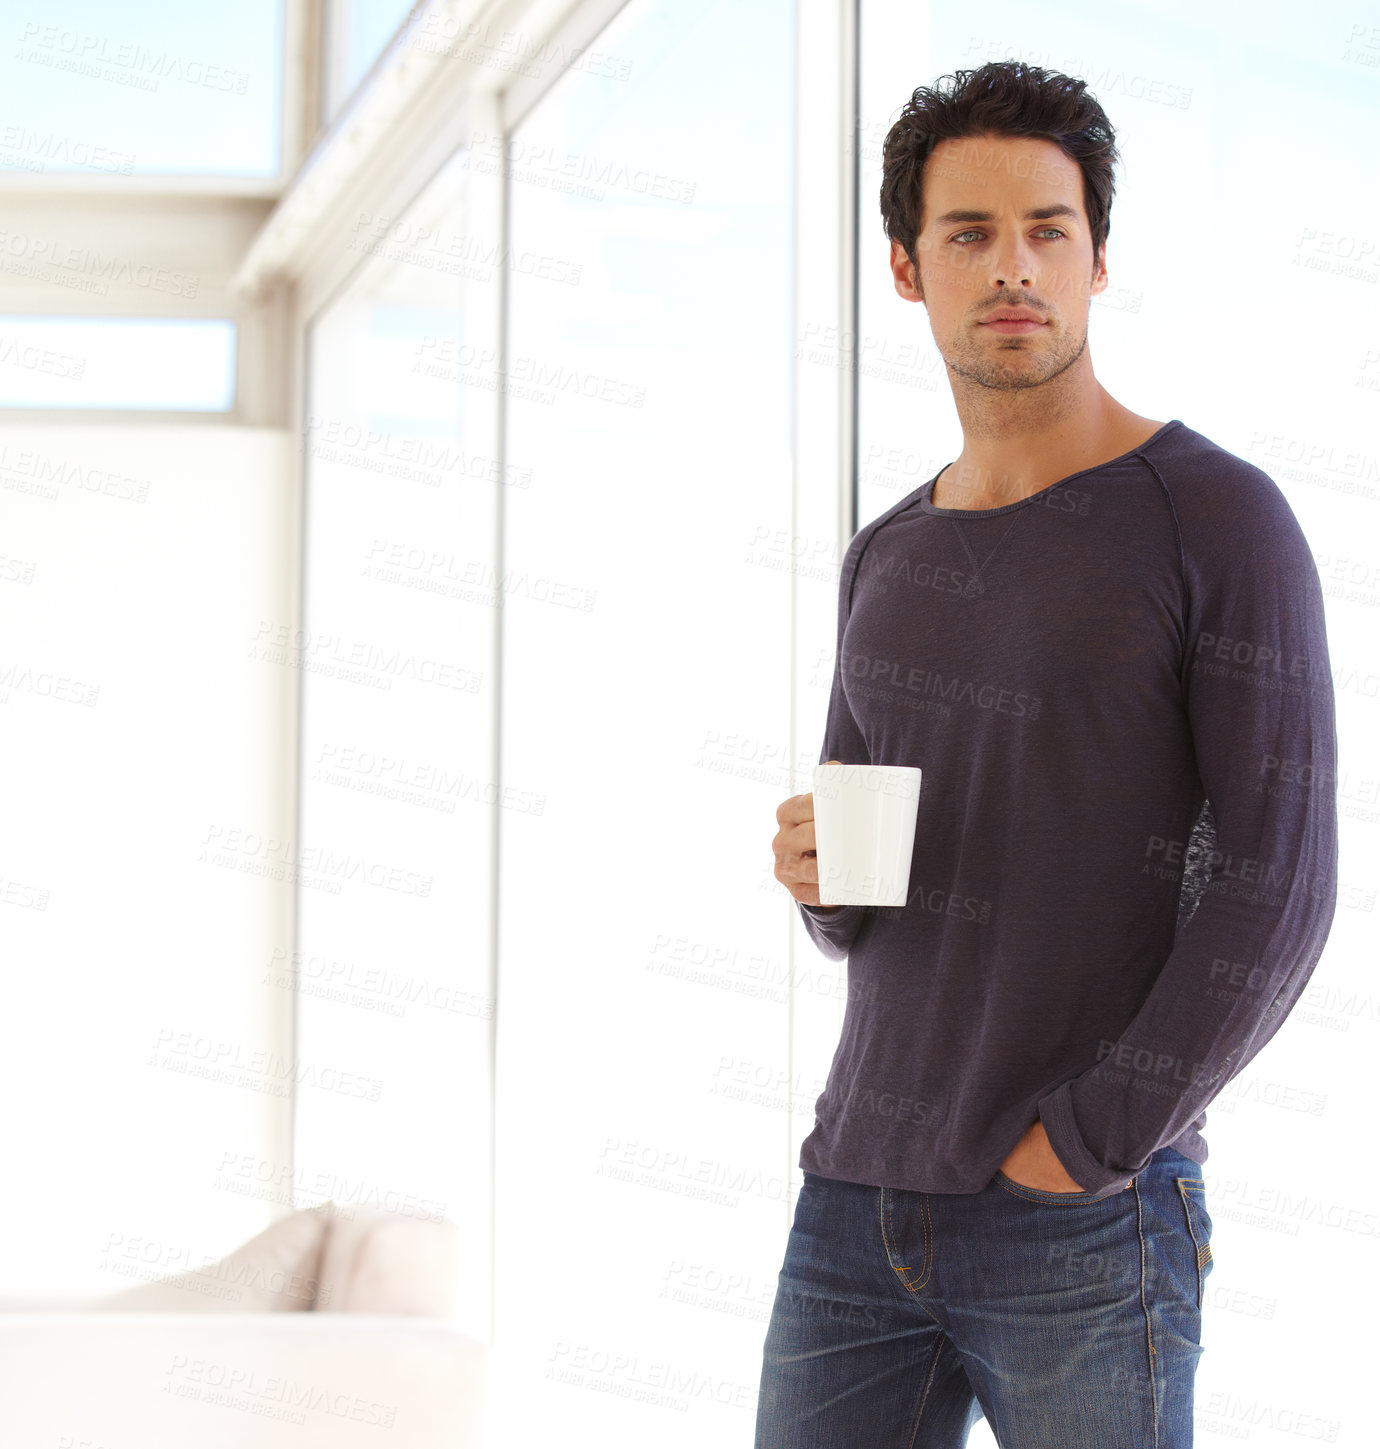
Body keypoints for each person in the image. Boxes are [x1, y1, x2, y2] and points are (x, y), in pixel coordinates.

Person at [758, 58, 1338, 1449]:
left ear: (1094, 260)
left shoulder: (1215, 519)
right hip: (857, 1197)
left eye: (1046, 231)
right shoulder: (889, 554)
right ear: (908, 269)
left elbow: (1284, 883)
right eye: (968, 234)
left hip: (1083, 1214)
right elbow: (871, 896)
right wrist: (818, 875)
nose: (1011, 267)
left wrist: (1087, 1141)